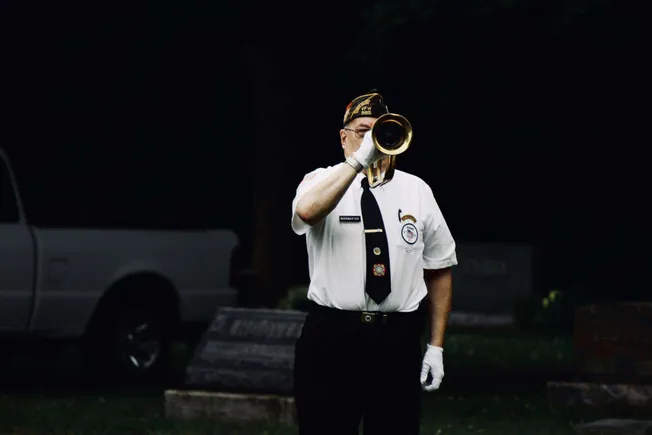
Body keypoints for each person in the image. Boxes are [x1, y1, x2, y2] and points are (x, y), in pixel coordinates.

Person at [290, 90, 458, 435]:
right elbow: (306, 212)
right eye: (362, 131)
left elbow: (439, 268)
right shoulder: (321, 180)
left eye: (379, 130)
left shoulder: (417, 190)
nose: (372, 139)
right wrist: (357, 164)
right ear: (343, 137)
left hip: (395, 338)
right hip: (333, 335)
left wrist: (436, 347)